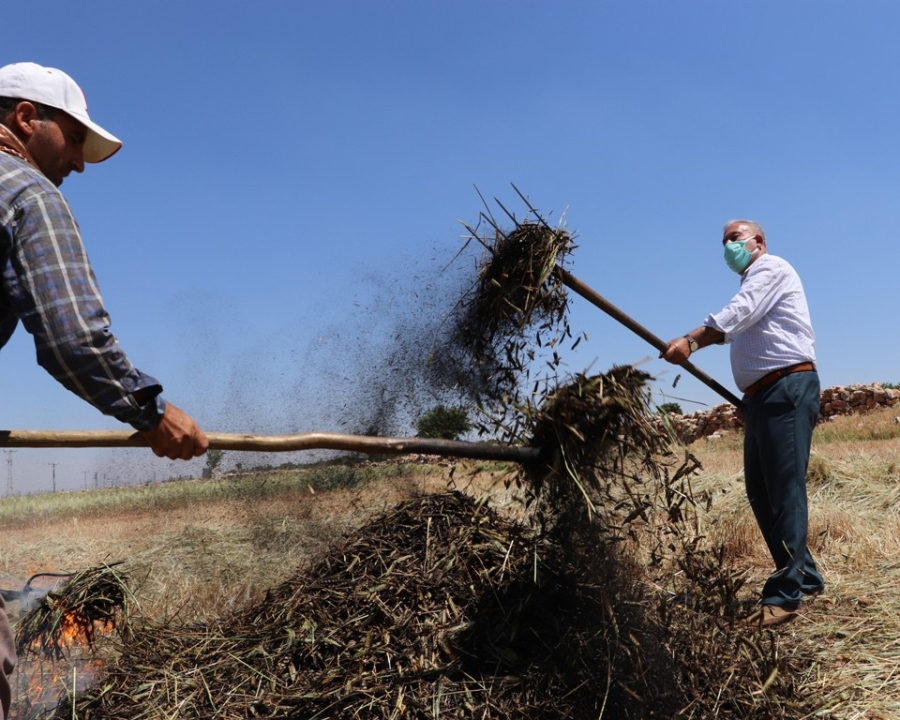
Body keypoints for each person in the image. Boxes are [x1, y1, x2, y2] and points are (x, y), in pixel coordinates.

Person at [0, 62, 209, 717]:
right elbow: (74, 339)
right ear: (26, 118)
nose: (78, 165)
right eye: (73, 139)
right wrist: (151, 412)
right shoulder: (23, 189)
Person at [660, 219, 824, 630]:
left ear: (758, 241)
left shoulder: (771, 268)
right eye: (724, 242)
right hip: (762, 397)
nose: (728, 247)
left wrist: (691, 341)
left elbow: (738, 313)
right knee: (760, 491)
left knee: (784, 489)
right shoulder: (753, 279)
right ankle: (804, 574)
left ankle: (785, 594)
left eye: (734, 238)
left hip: (787, 387)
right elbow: (740, 324)